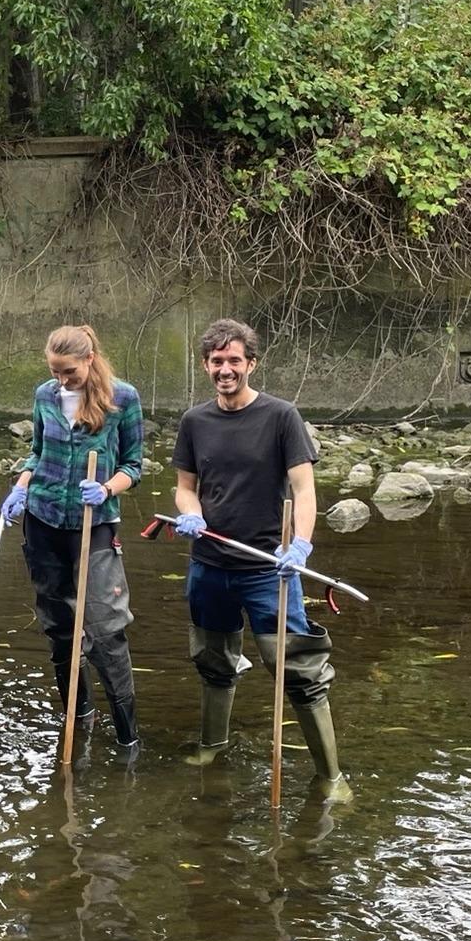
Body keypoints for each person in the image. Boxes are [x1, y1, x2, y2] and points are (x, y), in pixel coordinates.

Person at [170, 318, 351, 801]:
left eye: (234, 361)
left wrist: (302, 544)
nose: (225, 369)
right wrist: (189, 514)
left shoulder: (281, 416)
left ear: (251, 363)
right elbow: (185, 488)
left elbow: (304, 487)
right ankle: (213, 745)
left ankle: (332, 778)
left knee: (299, 669)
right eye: (216, 361)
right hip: (209, 564)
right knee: (213, 659)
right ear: (206, 365)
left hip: (270, 568)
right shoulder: (195, 422)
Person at [0, 326, 146, 754]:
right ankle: (76, 715)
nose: (63, 381)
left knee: (105, 626)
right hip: (43, 520)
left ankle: (127, 737)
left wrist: (106, 489)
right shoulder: (45, 395)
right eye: (55, 372)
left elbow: (135, 466)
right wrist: (22, 485)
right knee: (59, 626)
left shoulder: (123, 399)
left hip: (94, 523)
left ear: (90, 358)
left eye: (69, 372)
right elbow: (37, 451)